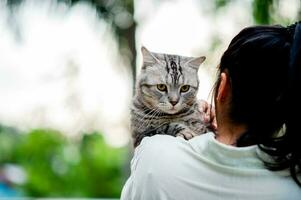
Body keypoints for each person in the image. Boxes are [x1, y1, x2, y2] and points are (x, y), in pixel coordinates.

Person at [121, 22, 301, 200]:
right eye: (162, 86)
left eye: (184, 89)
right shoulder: (294, 183)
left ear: (222, 86)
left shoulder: (154, 157)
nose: (174, 100)